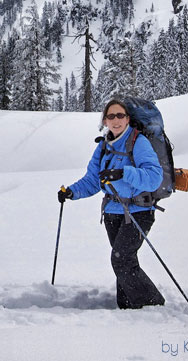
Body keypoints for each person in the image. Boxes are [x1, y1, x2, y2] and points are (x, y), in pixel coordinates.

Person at [58, 98, 165, 310]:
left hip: (139, 210)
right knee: (124, 260)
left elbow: (154, 177)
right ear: (105, 121)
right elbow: (92, 180)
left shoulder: (138, 142)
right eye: (111, 116)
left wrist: (124, 173)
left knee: (121, 259)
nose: (116, 120)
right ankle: (126, 307)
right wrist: (71, 192)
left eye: (120, 116)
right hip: (112, 212)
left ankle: (152, 305)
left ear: (127, 119)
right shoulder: (104, 146)